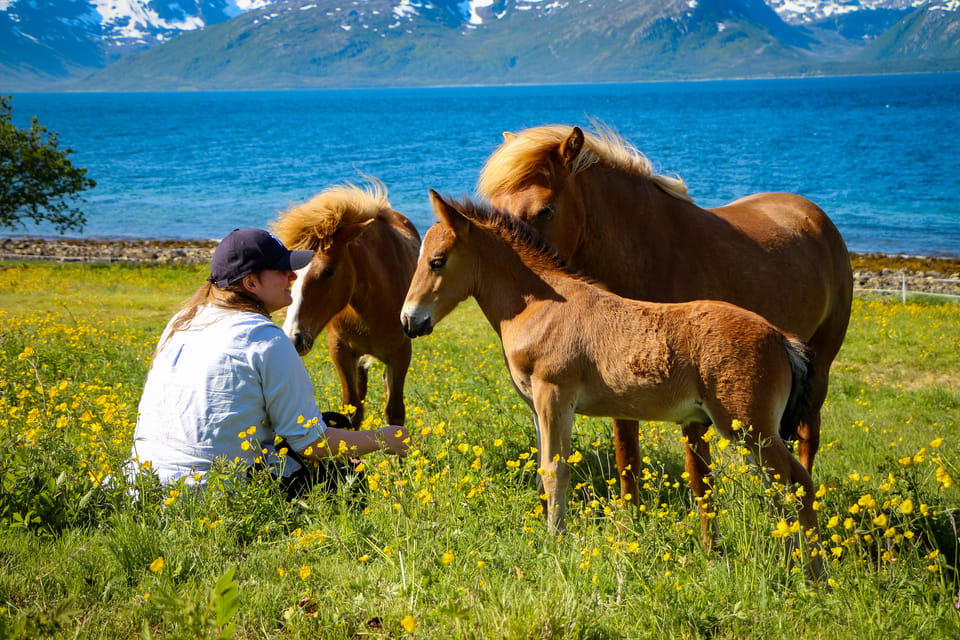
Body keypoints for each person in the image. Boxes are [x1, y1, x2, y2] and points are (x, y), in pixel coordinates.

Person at [128, 227, 408, 497]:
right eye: (281, 270)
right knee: (344, 478)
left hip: (141, 484)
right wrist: (384, 438)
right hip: (216, 493)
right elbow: (312, 444)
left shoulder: (182, 321)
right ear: (251, 283)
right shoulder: (264, 338)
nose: (292, 276)